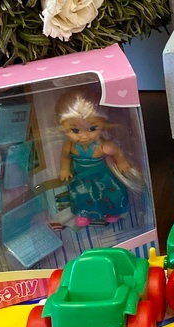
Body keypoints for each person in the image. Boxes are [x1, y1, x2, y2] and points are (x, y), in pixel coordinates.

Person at [55, 91, 139, 227]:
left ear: (103, 124)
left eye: (92, 128)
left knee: (108, 194)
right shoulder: (69, 146)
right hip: (82, 178)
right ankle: (84, 213)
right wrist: (64, 169)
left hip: (103, 178)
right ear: (62, 127)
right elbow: (65, 157)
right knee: (82, 195)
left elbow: (117, 151)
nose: (84, 136)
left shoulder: (102, 146)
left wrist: (122, 162)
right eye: (75, 131)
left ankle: (112, 211)